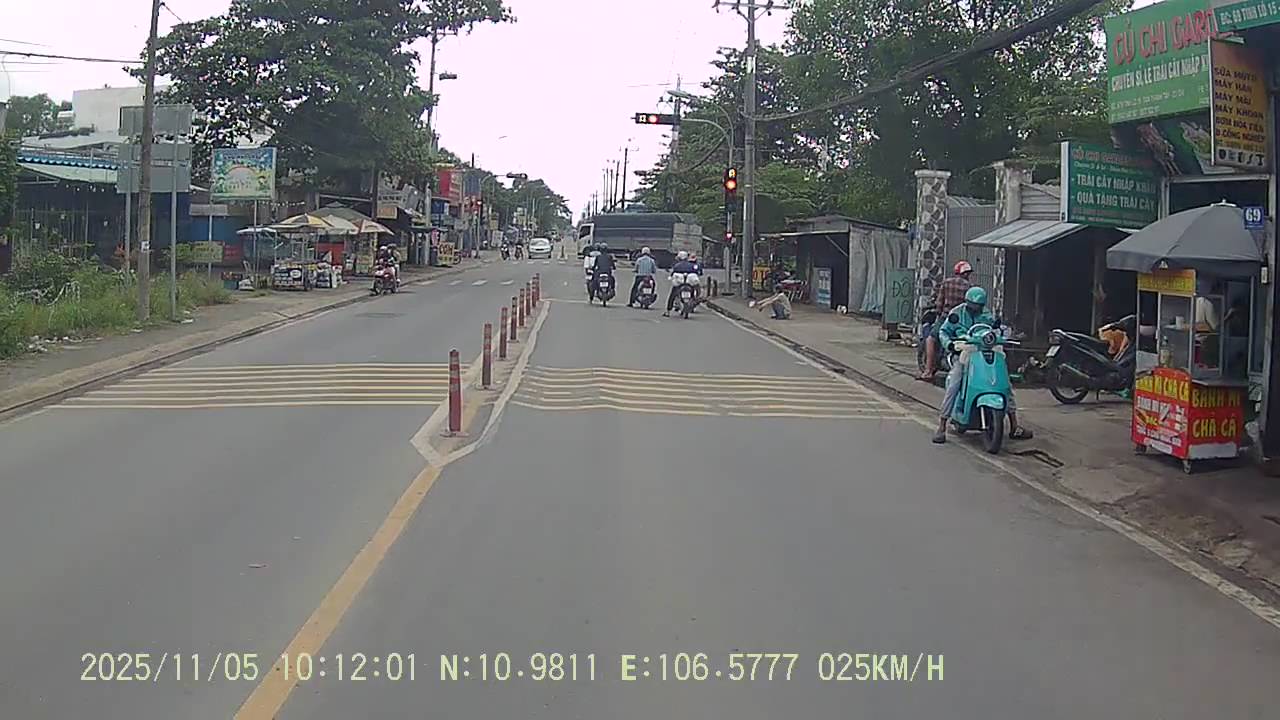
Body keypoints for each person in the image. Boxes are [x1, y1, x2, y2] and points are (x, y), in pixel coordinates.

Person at [932, 286, 1032, 444]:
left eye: (978, 306)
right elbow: (944, 331)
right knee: (954, 384)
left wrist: (1002, 336)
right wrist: (949, 344)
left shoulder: (987, 315)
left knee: (1005, 384)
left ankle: (1014, 425)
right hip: (964, 353)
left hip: (986, 352)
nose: (975, 309)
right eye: (972, 305)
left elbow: (996, 330)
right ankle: (942, 425)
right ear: (967, 302)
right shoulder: (956, 314)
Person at [919, 261, 975, 380]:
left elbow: (939, 303)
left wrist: (939, 312)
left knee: (931, 339)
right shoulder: (970, 287)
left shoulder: (947, 283)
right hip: (963, 321)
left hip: (946, 319)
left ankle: (928, 371)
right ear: (966, 274)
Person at [663, 251, 698, 317]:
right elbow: (696, 272)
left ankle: (668, 311)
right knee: (693, 293)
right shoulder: (691, 265)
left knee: (672, 295)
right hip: (689, 284)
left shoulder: (677, 265)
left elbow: (672, 273)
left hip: (680, 284)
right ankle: (693, 304)